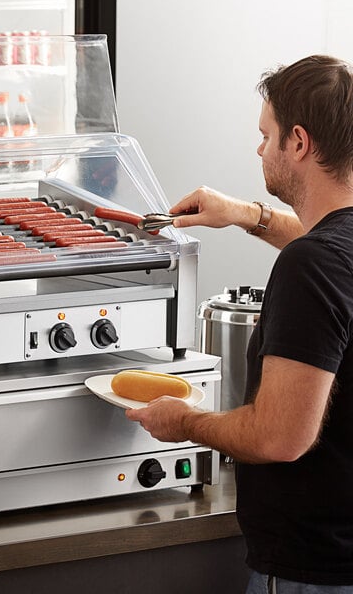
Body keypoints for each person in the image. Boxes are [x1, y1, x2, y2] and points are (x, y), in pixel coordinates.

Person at [125, 54, 353, 593]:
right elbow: (325, 245)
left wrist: (184, 423)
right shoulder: (331, 251)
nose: (258, 150)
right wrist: (245, 214)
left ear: (298, 143)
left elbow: (279, 438)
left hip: (309, 571)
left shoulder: (309, 266)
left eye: (265, 135)